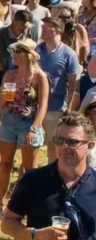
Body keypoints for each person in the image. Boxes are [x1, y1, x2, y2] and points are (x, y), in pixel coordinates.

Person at [0, 40, 49, 215]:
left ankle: (29, 207)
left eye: (18, 52)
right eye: (13, 52)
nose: (14, 55)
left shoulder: (39, 77)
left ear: (28, 55)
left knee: (29, 170)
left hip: (29, 124)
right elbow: (1, 106)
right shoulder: (10, 75)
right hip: (9, 121)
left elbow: (43, 106)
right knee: (5, 164)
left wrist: (34, 128)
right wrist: (3, 98)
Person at [39, 17, 81, 162]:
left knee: (53, 146)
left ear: (57, 30)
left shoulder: (69, 54)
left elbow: (73, 84)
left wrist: (69, 108)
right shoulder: (37, 50)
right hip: (35, 106)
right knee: (32, 144)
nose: (42, 29)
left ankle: (52, 172)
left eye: (46, 27)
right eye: (42, 26)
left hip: (55, 108)